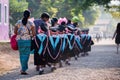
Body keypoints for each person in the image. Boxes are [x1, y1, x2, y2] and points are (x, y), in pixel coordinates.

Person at [14, 10, 35, 75]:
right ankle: (23, 69)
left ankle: (23, 68)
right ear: (29, 16)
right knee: (26, 55)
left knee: (21, 55)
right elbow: (34, 33)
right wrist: (30, 34)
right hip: (27, 41)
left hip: (20, 41)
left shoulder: (18, 22)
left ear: (23, 15)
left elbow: (15, 32)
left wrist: (21, 34)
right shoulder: (31, 23)